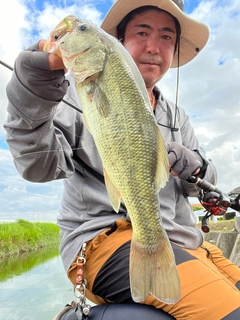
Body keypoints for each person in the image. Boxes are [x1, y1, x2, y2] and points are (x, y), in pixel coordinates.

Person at [4, 0, 240, 319]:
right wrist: (32, 93)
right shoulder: (75, 93)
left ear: (174, 49)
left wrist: (198, 165)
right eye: (142, 31)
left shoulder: (178, 117)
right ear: (119, 41)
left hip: (186, 241)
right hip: (104, 240)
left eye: (167, 37)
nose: (153, 47)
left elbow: (201, 187)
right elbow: (37, 166)